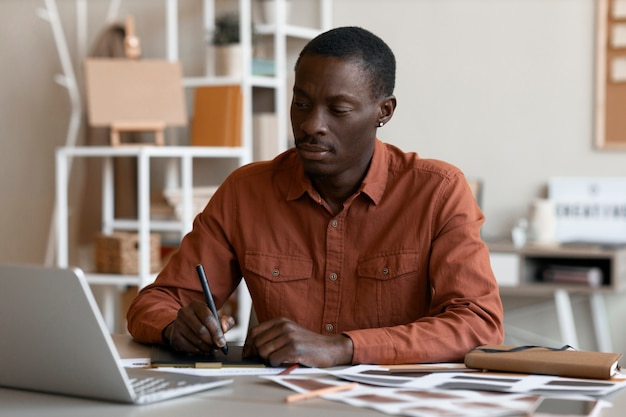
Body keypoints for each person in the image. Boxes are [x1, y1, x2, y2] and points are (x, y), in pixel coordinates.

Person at [127, 26, 504, 368]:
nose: (311, 126)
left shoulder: (437, 191)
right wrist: (175, 327)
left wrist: (343, 347)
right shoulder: (245, 192)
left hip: (392, 405)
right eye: (301, 104)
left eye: (337, 110)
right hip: (277, 402)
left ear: (383, 112)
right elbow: (154, 303)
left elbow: (479, 324)